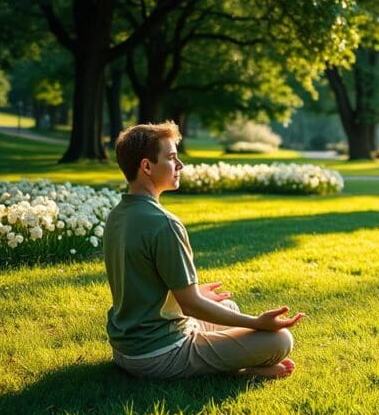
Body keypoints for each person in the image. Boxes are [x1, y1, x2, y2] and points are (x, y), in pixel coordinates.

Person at [103, 121, 304, 380]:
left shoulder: (118, 214)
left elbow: (141, 283)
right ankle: (239, 371)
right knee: (279, 341)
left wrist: (194, 292)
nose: (180, 166)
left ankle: (228, 360)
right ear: (147, 166)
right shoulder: (164, 223)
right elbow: (191, 306)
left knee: (228, 306)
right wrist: (257, 322)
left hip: (126, 348)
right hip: (158, 353)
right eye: (172, 158)